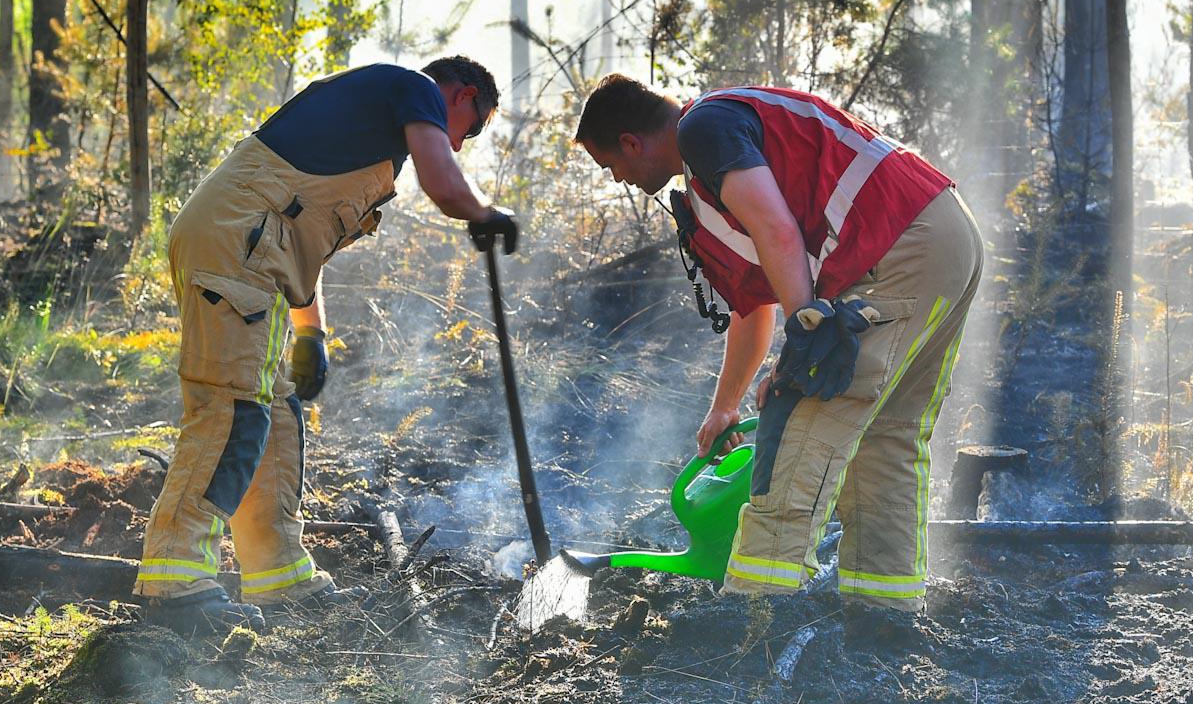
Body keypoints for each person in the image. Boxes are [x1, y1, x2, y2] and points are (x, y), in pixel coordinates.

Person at [574, 75, 982, 629]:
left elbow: (777, 230)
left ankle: (753, 623)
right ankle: (884, 618)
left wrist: (807, 334)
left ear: (630, 142)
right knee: (887, 436)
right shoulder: (714, 160)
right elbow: (753, 304)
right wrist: (726, 404)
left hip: (893, 245)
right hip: (942, 234)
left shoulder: (702, 128)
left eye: (611, 166)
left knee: (800, 423)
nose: (619, 178)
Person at [139, 56, 518, 634]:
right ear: (461, 95)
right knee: (232, 408)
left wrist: (311, 332)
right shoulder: (415, 88)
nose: (461, 144)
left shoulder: (370, 136)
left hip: (250, 250)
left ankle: (276, 574)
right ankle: (174, 580)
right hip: (232, 246)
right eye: (474, 127)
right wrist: (485, 214)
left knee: (276, 411)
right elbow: (444, 185)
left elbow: (297, 241)